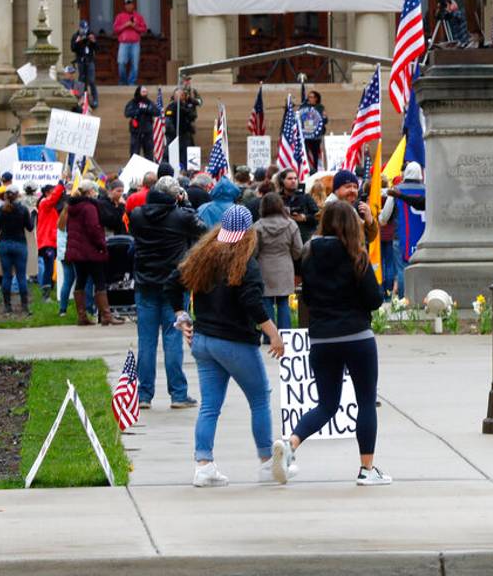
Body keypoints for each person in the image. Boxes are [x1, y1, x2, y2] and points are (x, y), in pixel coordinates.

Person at [271, 201, 388, 485]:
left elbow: (308, 299)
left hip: (322, 338)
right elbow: (374, 299)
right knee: (365, 403)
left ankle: (291, 444)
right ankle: (366, 469)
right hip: (357, 336)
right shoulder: (356, 256)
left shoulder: (310, 257)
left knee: (326, 405)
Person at [175, 205, 292, 488]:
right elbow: (252, 302)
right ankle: (266, 461)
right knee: (260, 398)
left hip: (203, 341)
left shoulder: (203, 256)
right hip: (234, 342)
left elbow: (173, 280)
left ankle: (204, 465)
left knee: (209, 406)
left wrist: (180, 314)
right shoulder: (246, 264)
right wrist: (273, 334)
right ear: (249, 233)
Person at [130, 175, 203, 410]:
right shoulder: (181, 216)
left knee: (147, 341)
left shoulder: (137, 215)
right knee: (173, 339)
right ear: (176, 196)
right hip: (174, 283)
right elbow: (201, 229)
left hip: (145, 282)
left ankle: (144, 395)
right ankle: (178, 394)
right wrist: (185, 203)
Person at [66, 180, 125, 326]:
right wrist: (101, 245)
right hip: (91, 250)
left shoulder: (73, 207)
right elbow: (94, 228)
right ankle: (106, 315)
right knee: (100, 281)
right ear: (90, 191)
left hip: (76, 250)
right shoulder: (89, 207)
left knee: (80, 281)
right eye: (94, 190)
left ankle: (82, 315)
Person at [255, 192, 303, 330]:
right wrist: (291, 256)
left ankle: (269, 335)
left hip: (264, 267)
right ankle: (285, 334)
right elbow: (298, 249)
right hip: (285, 266)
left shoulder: (258, 226)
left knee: (266, 302)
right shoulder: (291, 225)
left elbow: (254, 251)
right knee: (283, 303)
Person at [384, 162, 426, 295]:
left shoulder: (396, 190)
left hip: (401, 237)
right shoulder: (428, 190)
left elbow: (384, 217)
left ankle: (404, 302)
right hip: (423, 238)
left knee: (403, 270)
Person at [0, 184, 33, 315]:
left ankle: (7, 307)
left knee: (6, 276)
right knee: (21, 276)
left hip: (4, 244)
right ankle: (25, 307)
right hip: (20, 244)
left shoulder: (0, 211)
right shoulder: (23, 210)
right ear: (17, 195)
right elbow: (30, 228)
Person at [326, 169, 379, 243]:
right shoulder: (329, 210)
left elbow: (366, 238)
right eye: (348, 186)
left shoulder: (350, 208)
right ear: (336, 190)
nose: (353, 190)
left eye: (355, 187)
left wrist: (369, 220)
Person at [35, 182, 63, 300]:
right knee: (49, 268)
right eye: (53, 191)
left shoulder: (47, 206)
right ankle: (45, 296)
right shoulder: (45, 203)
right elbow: (55, 197)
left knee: (50, 268)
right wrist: (61, 185)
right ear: (47, 193)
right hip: (47, 242)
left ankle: (48, 291)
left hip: (50, 241)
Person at [113, 0, 146, 85]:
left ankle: (131, 82)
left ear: (133, 5)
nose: (129, 6)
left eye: (130, 4)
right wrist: (125, 25)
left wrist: (134, 26)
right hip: (123, 43)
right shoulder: (120, 16)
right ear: (124, 6)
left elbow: (143, 29)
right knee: (121, 64)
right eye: (127, 4)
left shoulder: (138, 17)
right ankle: (123, 82)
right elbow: (115, 29)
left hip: (135, 43)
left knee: (135, 65)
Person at [165, 87, 199, 169]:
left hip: (185, 134)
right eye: (177, 95)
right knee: (173, 154)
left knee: (186, 154)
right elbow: (168, 119)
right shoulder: (171, 106)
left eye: (181, 95)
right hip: (174, 136)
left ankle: (187, 170)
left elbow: (193, 116)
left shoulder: (187, 106)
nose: (179, 97)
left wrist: (184, 110)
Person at [124, 86, 162, 160]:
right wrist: (138, 111)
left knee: (149, 153)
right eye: (143, 92)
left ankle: (150, 170)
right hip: (136, 132)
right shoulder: (133, 102)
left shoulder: (149, 103)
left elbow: (157, 112)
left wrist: (147, 110)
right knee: (134, 153)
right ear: (139, 92)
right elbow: (127, 113)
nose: (145, 94)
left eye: (146, 92)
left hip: (147, 132)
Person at [69, 19, 99, 107]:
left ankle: (95, 99)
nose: (84, 30)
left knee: (91, 80)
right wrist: (77, 41)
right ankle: (78, 98)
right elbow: (73, 48)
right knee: (81, 79)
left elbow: (97, 48)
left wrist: (94, 42)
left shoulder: (91, 34)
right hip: (81, 60)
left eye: (85, 28)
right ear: (79, 28)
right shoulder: (75, 36)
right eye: (82, 28)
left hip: (90, 60)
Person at [301, 90, 327, 171]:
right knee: (305, 154)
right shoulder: (304, 107)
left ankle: (315, 170)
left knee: (315, 154)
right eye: (309, 97)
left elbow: (324, 121)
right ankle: (305, 170)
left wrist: (325, 117)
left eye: (312, 97)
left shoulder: (320, 107)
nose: (310, 99)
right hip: (305, 136)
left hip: (316, 136)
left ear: (316, 98)